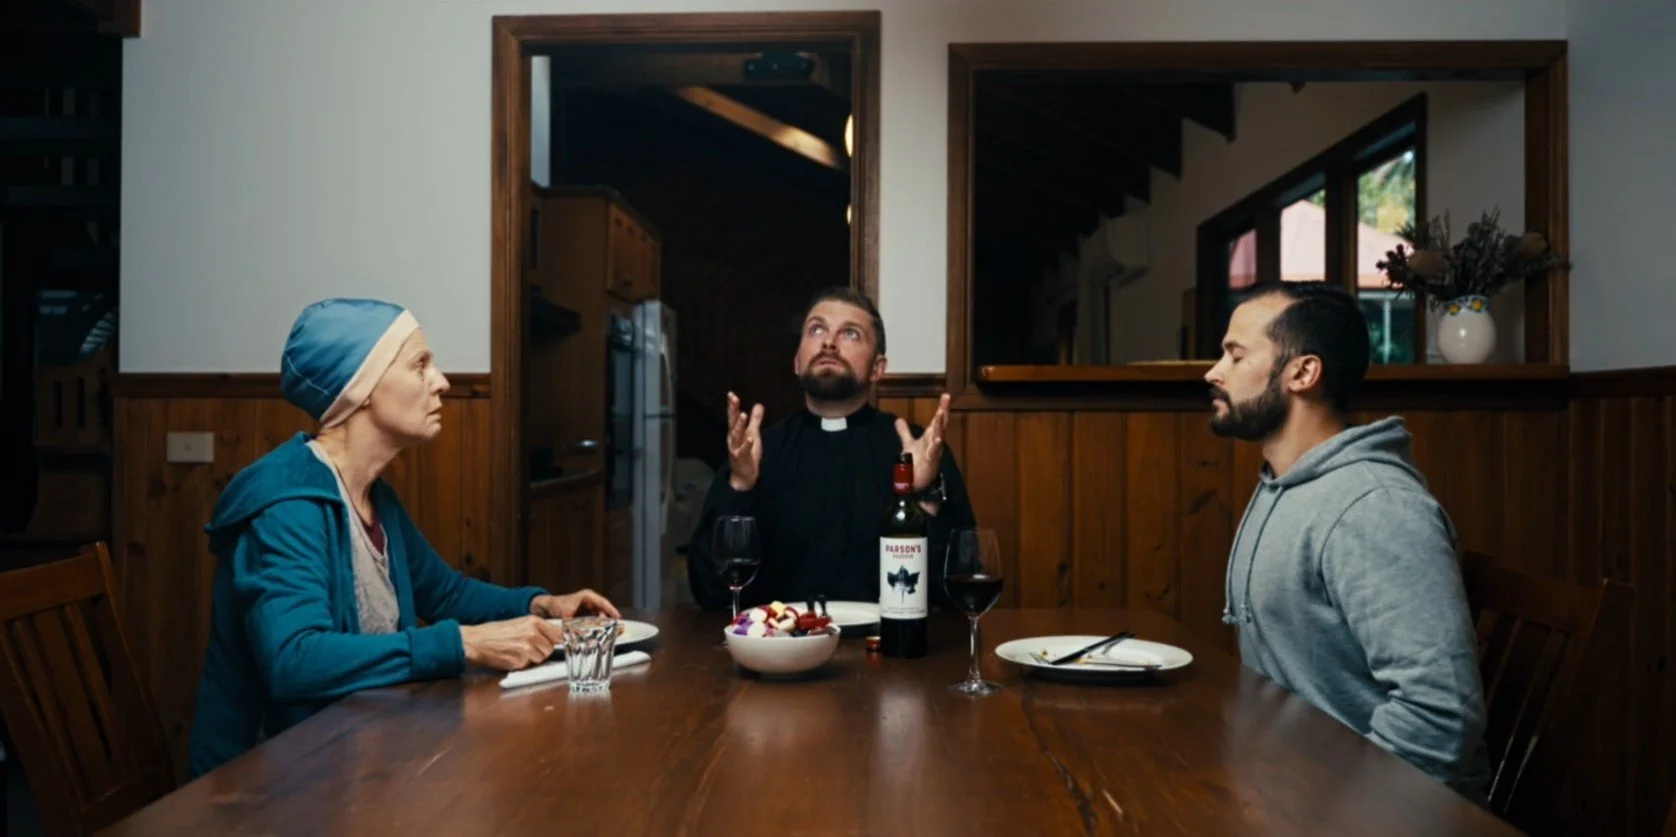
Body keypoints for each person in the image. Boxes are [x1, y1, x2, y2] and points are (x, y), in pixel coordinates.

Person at [187, 298, 619, 778]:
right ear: (363, 388)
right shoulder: (289, 504)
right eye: (420, 364)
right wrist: (464, 644)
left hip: (353, 762)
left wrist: (542, 605)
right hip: (263, 790)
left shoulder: (375, 498)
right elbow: (294, 659)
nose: (442, 381)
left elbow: (447, 593)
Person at [1205, 281, 1491, 801]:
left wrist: (1330, 816)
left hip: (1364, 811)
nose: (1214, 371)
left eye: (1235, 354)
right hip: (1283, 784)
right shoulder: (1285, 485)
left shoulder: (1374, 507)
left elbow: (1440, 716)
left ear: (1303, 372)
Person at [686, 287, 977, 610]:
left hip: (893, 649)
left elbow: (958, 590)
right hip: (780, 650)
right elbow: (709, 591)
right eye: (816, 329)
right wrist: (740, 486)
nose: (829, 342)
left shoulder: (916, 450)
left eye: (850, 333)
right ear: (797, 362)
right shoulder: (757, 451)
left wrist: (923, 494)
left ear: (878, 368)